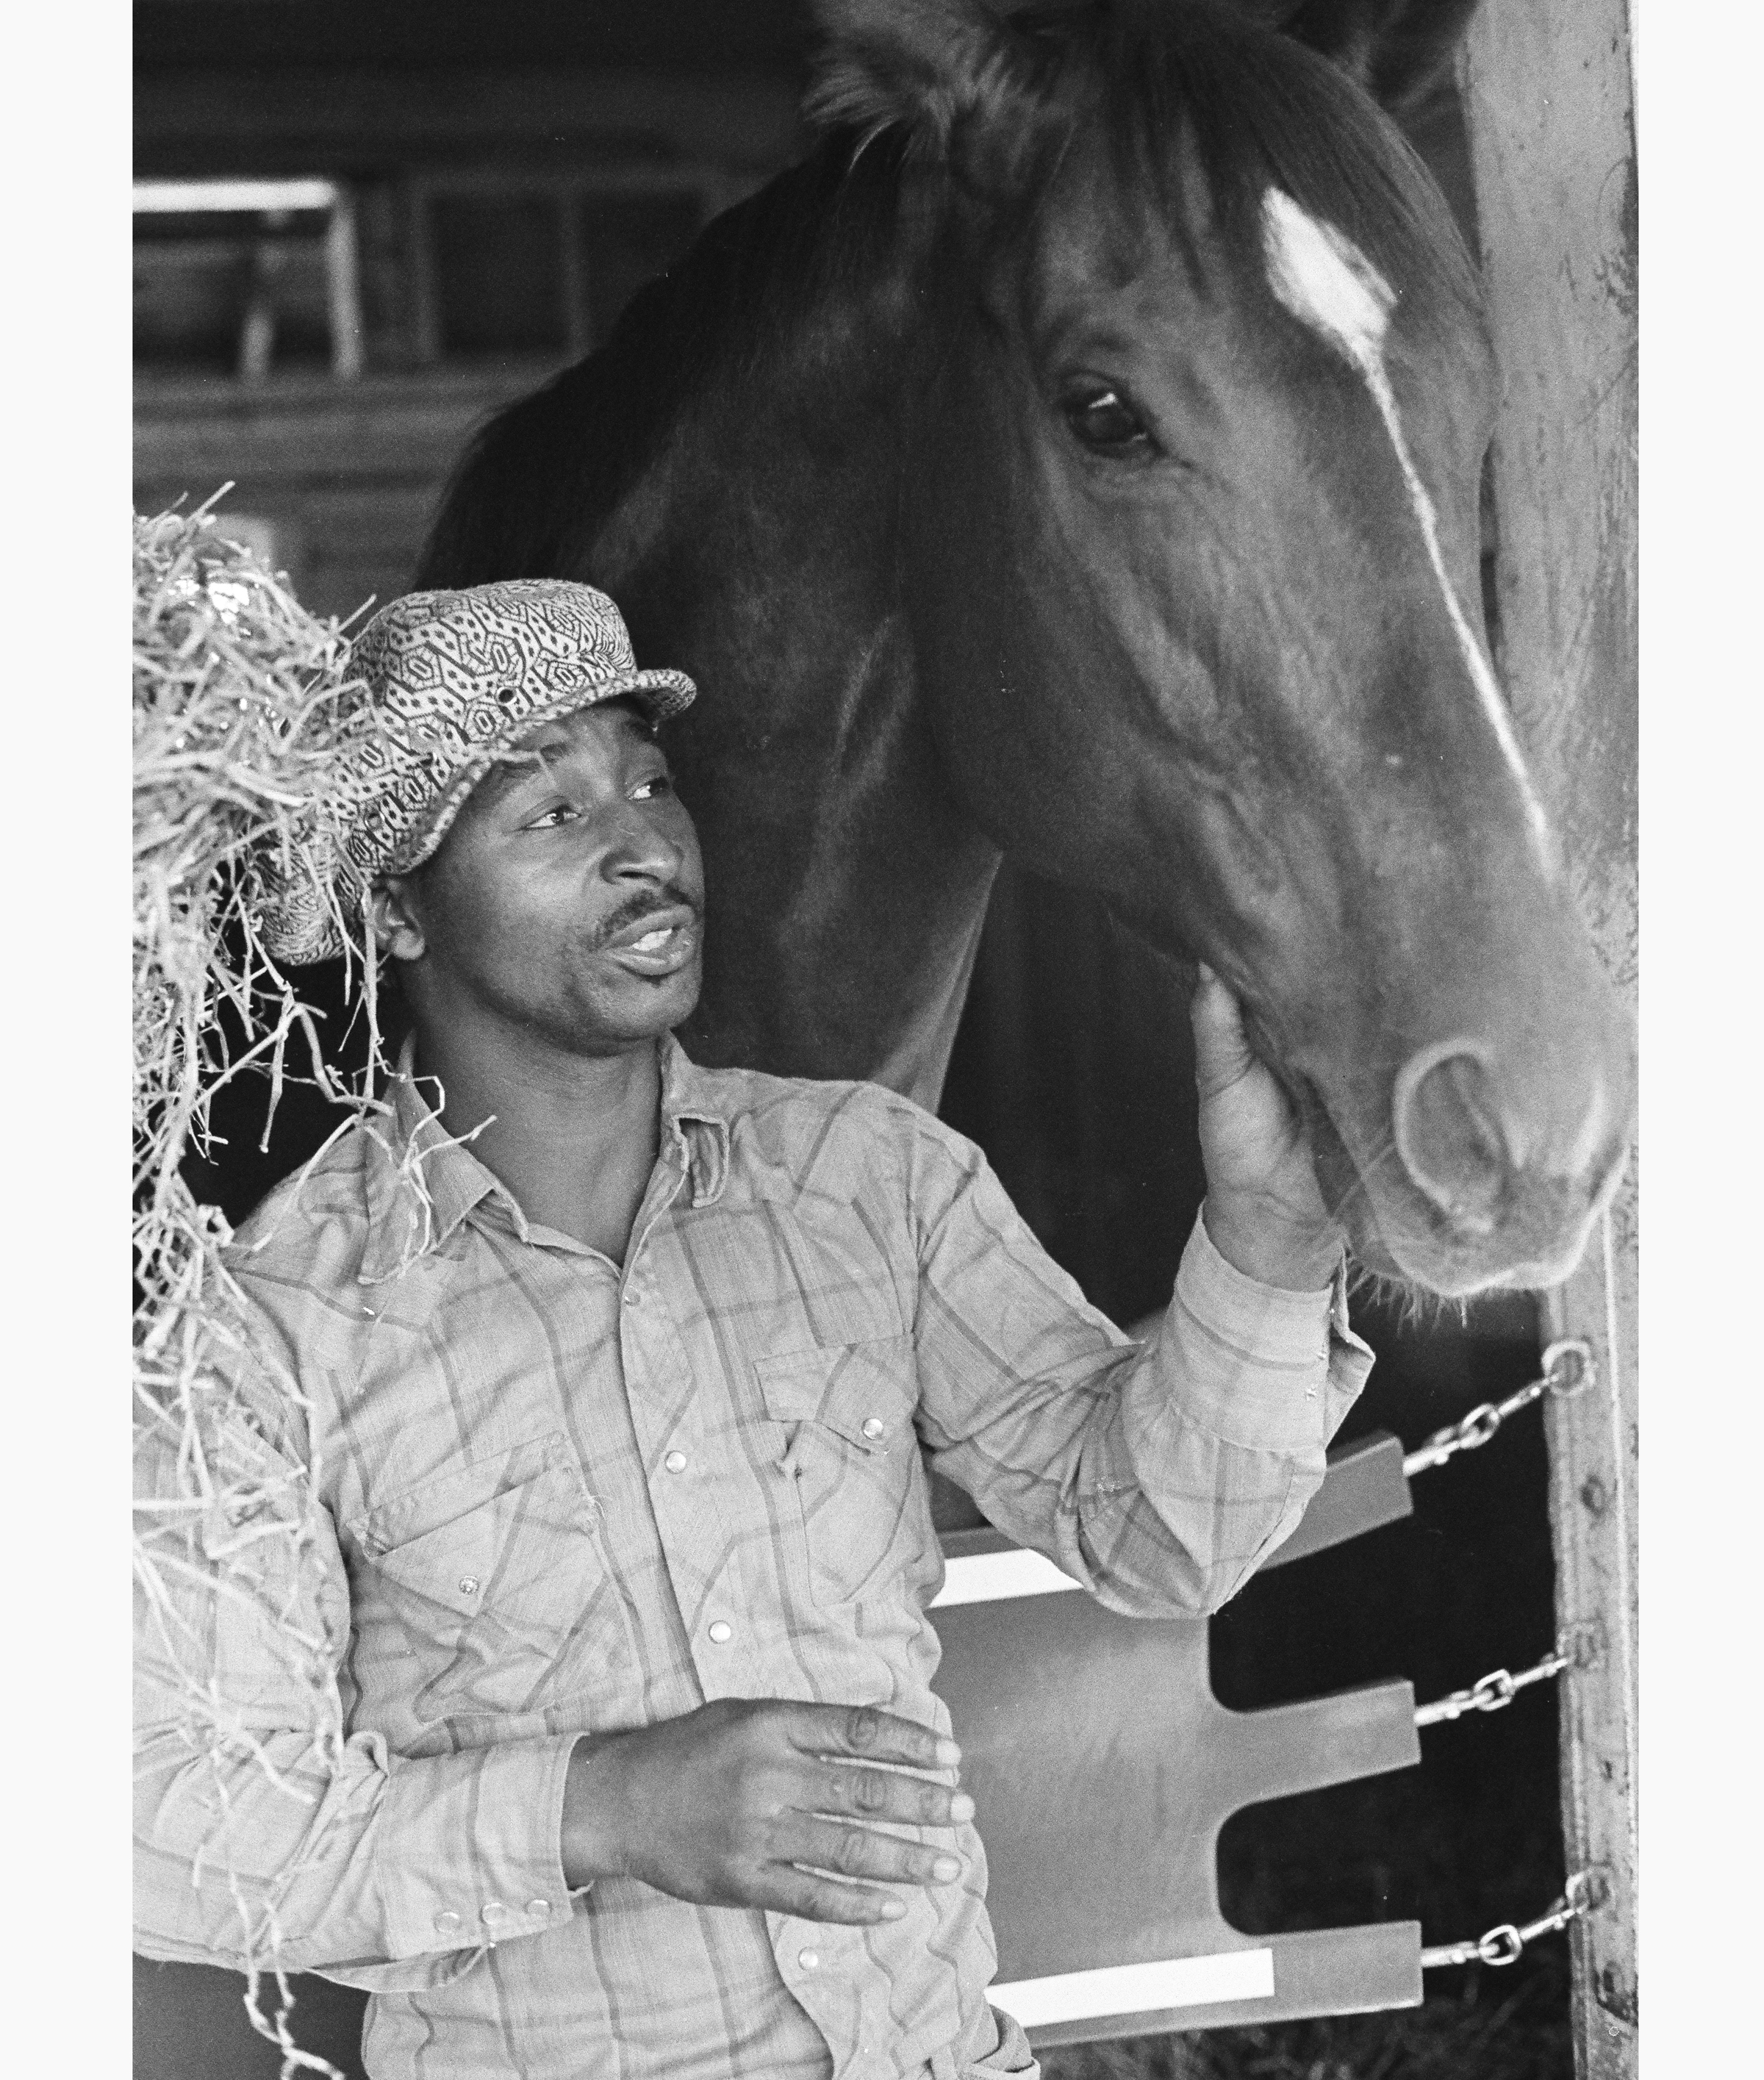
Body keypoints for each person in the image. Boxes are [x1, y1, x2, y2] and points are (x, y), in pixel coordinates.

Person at [135, 580, 1372, 2080]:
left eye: (654, 785)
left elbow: (1173, 1533)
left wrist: (1271, 1238)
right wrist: (605, 1807)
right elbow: (185, 1834)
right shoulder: (269, 1324)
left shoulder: (869, 1179)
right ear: (396, 909)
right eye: (553, 813)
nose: (645, 841)